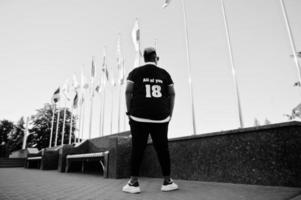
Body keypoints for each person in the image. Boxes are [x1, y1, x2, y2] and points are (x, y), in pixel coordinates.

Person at [122, 47, 178, 193]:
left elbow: (128, 91)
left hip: (138, 116)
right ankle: (167, 181)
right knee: (162, 149)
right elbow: (172, 94)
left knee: (137, 148)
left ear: (145, 58)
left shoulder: (135, 72)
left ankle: (133, 183)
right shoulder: (165, 74)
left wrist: (130, 111)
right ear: (155, 58)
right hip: (160, 117)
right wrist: (169, 114)